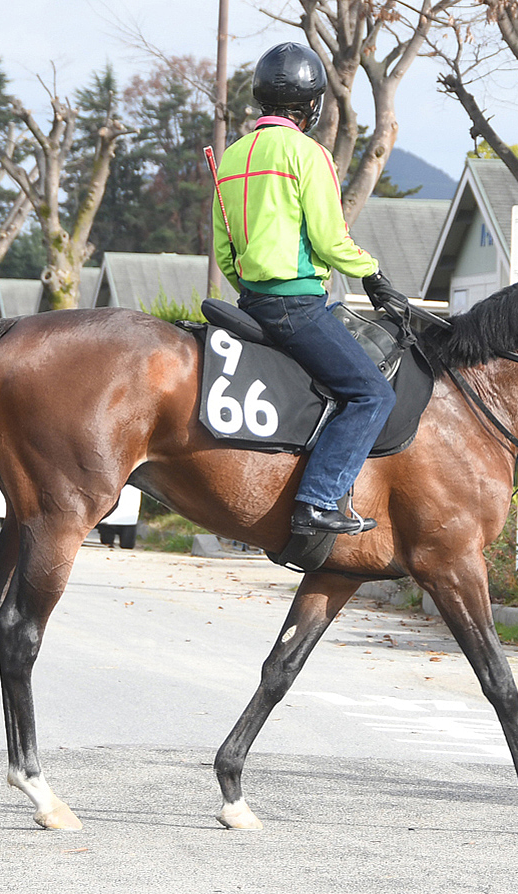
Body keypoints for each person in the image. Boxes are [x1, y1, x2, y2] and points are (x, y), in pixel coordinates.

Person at [212, 42, 409, 537]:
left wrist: (250, 286)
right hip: (295, 306)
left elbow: (223, 249)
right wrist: (374, 274)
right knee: (372, 394)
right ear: (313, 104)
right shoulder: (310, 153)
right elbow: (329, 238)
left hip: (250, 303)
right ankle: (319, 500)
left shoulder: (231, 157)